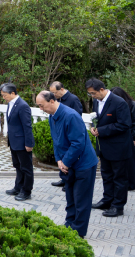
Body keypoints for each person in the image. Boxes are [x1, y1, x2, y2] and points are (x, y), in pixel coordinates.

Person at [35, 91, 99, 237]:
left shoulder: (71, 116)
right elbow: (56, 140)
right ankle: (69, 224)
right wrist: (59, 160)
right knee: (70, 197)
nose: (40, 109)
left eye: (42, 105)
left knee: (81, 199)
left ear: (52, 101)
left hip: (83, 164)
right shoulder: (52, 116)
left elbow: (78, 143)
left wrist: (65, 162)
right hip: (67, 163)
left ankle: (78, 231)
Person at [86, 78, 132, 217]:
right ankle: (107, 200)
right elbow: (97, 119)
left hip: (118, 147)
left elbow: (124, 124)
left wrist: (102, 130)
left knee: (119, 178)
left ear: (101, 89)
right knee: (106, 175)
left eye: (93, 93)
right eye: (90, 94)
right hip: (103, 146)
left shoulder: (119, 102)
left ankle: (118, 206)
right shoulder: (96, 101)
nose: (92, 96)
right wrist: (94, 128)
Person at [1, 83, 34, 201]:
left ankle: (26, 191)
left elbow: (27, 126)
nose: (3, 97)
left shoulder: (22, 105)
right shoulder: (11, 104)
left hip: (22, 143)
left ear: (13, 93)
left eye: (5, 95)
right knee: (18, 166)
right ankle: (18, 187)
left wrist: (29, 143)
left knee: (26, 168)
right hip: (14, 142)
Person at [49, 81, 83, 191]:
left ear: (62, 89)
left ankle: (69, 182)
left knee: (69, 158)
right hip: (60, 134)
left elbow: (77, 116)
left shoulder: (73, 99)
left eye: (54, 92)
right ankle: (64, 179)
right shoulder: (57, 99)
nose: (53, 95)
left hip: (69, 133)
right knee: (62, 156)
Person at [111, 87, 135, 192]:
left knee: (130, 162)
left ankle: (131, 183)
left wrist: (134, 137)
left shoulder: (132, 105)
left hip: (130, 137)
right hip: (117, 138)